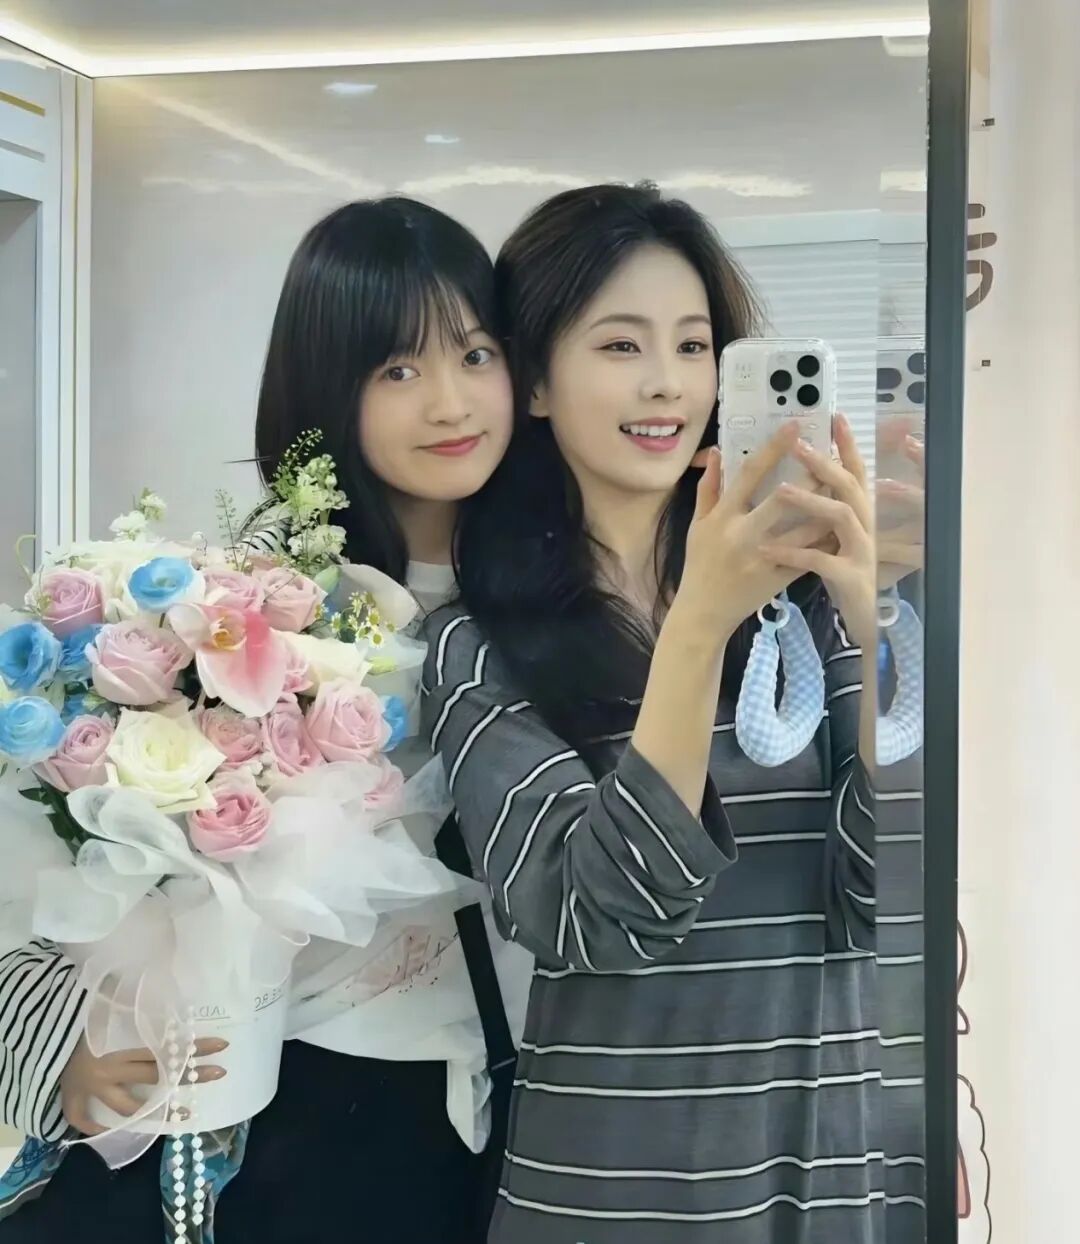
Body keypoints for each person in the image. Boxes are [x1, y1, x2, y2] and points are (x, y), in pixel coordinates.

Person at [0, 197, 528, 1243]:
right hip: (253, 1104)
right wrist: (62, 1046)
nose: (449, 402)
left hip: (448, 1106)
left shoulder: (555, 610)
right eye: (397, 369)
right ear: (328, 385)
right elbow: (48, 847)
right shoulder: (238, 608)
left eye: (476, 354)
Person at [422, 183, 881, 1244]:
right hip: (612, 1186)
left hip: (826, 1162)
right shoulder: (476, 644)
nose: (667, 382)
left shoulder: (807, 602)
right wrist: (696, 628)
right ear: (536, 381)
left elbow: (894, 886)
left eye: (694, 345)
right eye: (620, 345)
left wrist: (876, 621)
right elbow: (595, 921)